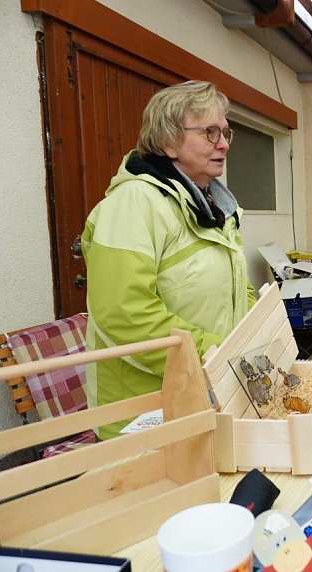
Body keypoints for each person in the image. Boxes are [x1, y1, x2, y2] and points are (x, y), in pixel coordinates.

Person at [81, 80, 255, 439]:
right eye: (209, 132)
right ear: (168, 141)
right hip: (146, 415)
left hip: (205, 394)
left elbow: (240, 288)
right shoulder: (133, 204)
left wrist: (253, 338)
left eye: (225, 132)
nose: (223, 143)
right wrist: (215, 355)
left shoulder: (216, 206)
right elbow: (124, 313)